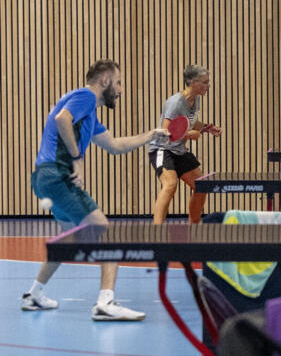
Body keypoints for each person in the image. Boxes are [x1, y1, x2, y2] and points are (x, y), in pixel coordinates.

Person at [22, 59, 168, 321]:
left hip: (46, 178)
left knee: (69, 238)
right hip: (57, 174)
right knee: (104, 231)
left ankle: (34, 294)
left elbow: (113, 145)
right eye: (119, 82)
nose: (121, 89)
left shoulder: (89, 115)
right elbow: (61, 119)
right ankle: (105, 302)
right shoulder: (85, 97)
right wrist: (78, 158)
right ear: (105, 81)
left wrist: (150, 136)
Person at [151, 65, 222, 224]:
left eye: (208, 82)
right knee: (170, 185)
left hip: (179, 151)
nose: (208, 85)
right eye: (204, 82)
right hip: (162, 149)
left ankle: (193, 229)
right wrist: (190, 135)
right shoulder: (175, 103)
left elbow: (188, 122)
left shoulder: (195, 99)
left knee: (201, 186)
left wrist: (206, 128)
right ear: (192, 82)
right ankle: (156, 231)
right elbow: (165, 131)